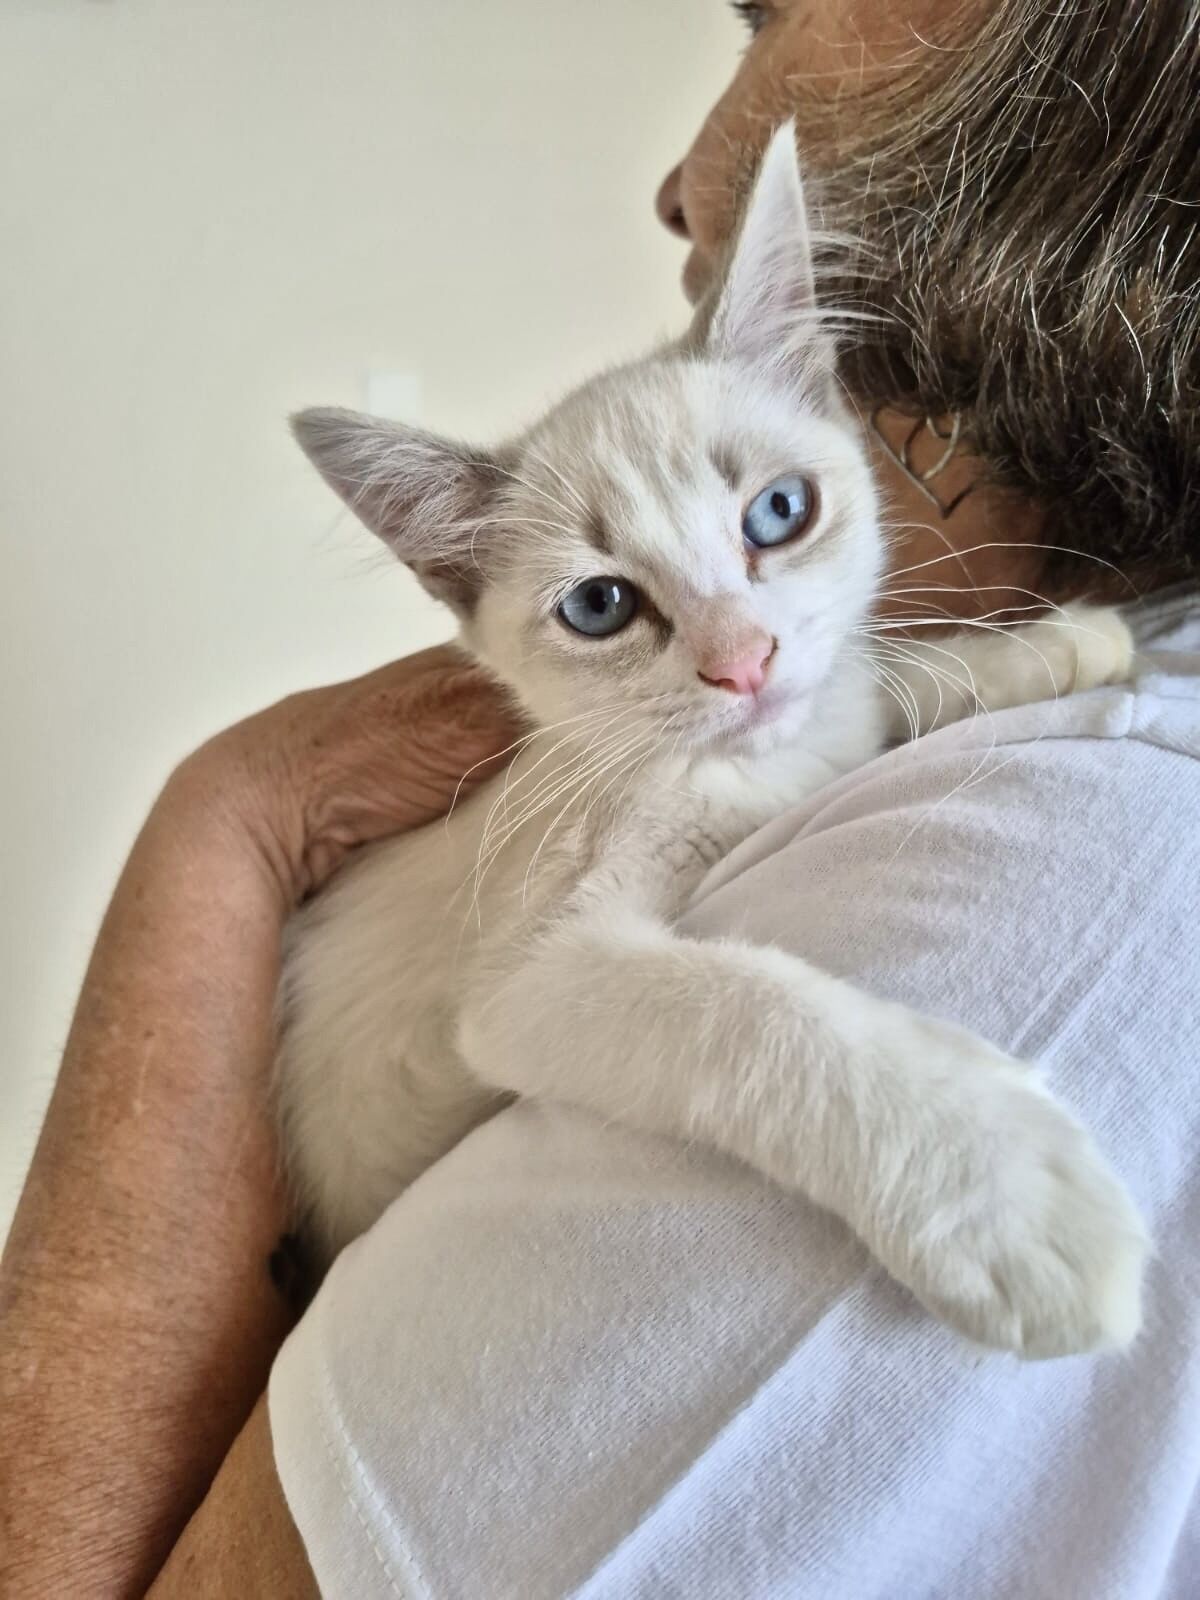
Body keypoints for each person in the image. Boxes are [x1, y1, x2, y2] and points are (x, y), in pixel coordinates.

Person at [3, 1, 1197, 1594]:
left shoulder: (1087, 820)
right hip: (378, 1169)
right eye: (600, 606)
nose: (738, 652)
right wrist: (899, 1119)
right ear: (466, 593)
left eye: (780, 517)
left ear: (821, 399)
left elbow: (822, 721)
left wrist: (971, 676)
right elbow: (538, 1000)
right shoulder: (589, 784)